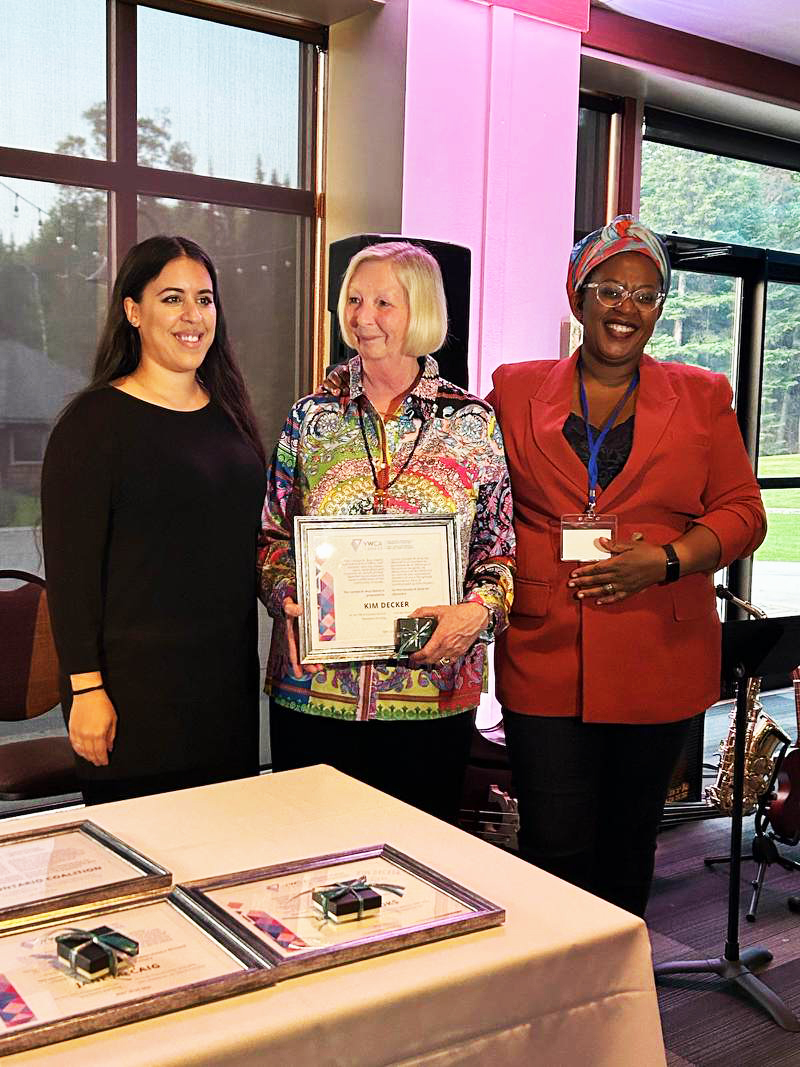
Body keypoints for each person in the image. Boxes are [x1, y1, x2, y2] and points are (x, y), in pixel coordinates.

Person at [487, 215, 766, 916]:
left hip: (658, 650)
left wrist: (668, 560)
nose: (627, 308)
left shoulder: (703, 396)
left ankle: (614, 1003)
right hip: (545, 650)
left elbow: (742, 513)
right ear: (578, 295)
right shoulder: (515, 391)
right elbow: (473, 491)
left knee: (627, 843)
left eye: (646, 296)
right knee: (553, 844)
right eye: (611, 288)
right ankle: (553, 995)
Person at [259, 240, 514, 823]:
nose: (363, 316)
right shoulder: (310, 418)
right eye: (353, 300)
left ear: (420, 309)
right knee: (307, 861)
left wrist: (477, 613)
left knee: (417, 870)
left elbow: (499, 553)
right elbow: (271, 536)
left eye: (383, 302)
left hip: (429, 693)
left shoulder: (472, 423)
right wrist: (284, 596)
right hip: (315, 691)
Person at [41, 235, 267, 804]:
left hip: (223, 695)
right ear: (133, 311)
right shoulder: (93, 424)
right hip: (130, 697)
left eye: (205, 299)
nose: (193, 316)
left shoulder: (230, 419)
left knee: (221, 868)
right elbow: (71, 577)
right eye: (172, 299)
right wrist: (86, 688)